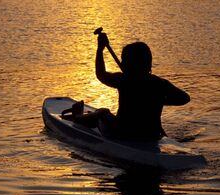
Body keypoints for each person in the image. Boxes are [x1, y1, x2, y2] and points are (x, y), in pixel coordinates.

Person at [62, 33, 190, 141]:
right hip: (152, 136)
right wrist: (157, 99)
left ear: (130, 64)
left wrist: (100, 49)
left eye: (124, 61)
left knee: (102, 112)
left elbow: (101, 75)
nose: (121, 63)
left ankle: (77, 117)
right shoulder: (160, 83)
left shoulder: (124, 80)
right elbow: (184, 98)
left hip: (124, 134)